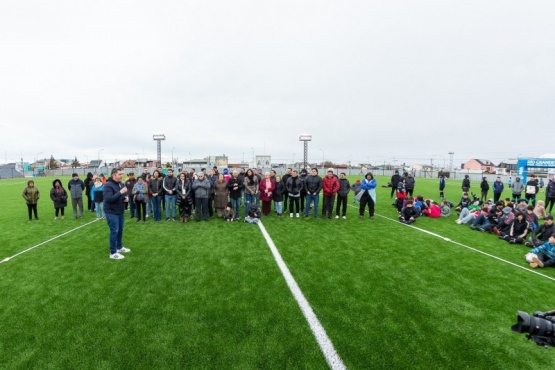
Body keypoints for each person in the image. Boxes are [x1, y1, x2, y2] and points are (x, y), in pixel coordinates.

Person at [103, 168, 131, 260]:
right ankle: (113, 252)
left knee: (120, 230)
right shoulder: (108, 185)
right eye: (119, 174)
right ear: (113, 175)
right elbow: (109, 199)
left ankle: (119, 247)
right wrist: (120, 192)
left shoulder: (121, 184)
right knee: (114, 231)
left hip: (120, 211)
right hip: (111, 212)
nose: (121, 176)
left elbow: (122, 196)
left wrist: (125, 198)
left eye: (121, 174)